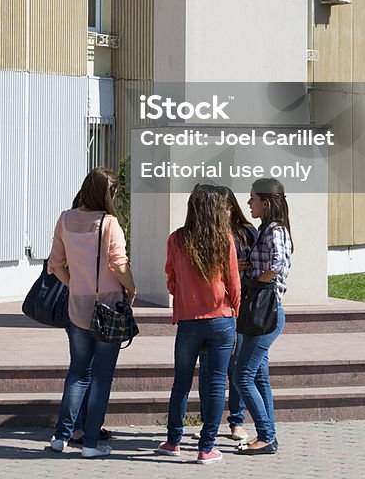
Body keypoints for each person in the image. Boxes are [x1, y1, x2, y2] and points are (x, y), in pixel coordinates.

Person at [47, 167, 137, 458]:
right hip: (108, 307)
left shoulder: (65, 218)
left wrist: (75, 284)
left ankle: (61, 436)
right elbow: (119, 264)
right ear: (108, 194)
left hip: (77, 306)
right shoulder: (109, 223)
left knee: (78, 373)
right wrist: (132, 289)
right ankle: (90, 443)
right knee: (101, 377)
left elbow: (55, 264)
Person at [158, 184, 241, 464]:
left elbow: (171, 278)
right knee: (217, 382)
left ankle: (173, 441)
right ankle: (206, 448)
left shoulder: (177, 239)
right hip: (221, 319)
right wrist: (236, 314)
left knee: (181, 383)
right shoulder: (224, 239)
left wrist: (182, 295)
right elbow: (234, 283)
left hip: (189, 321)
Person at [233, 178, 293, 456]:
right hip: (261, 312)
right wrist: (246, 268)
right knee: (258, 376)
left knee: (242, 376)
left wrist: (257, 281)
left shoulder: (274, 230)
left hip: (265, 313)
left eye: (252, 198)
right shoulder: (265, 229)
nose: (248, 203)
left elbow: (277, 264)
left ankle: (266, 436)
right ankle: (268, 434)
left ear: (265, 203)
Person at [198, 187, 257, 442]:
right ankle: (207, 420)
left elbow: (262, 263)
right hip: (213, 309)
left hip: (240, 306)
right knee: (208, 367)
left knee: (236, 367)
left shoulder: (247, 232)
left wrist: (244, 265)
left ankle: (236, 419)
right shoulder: (203, 233)